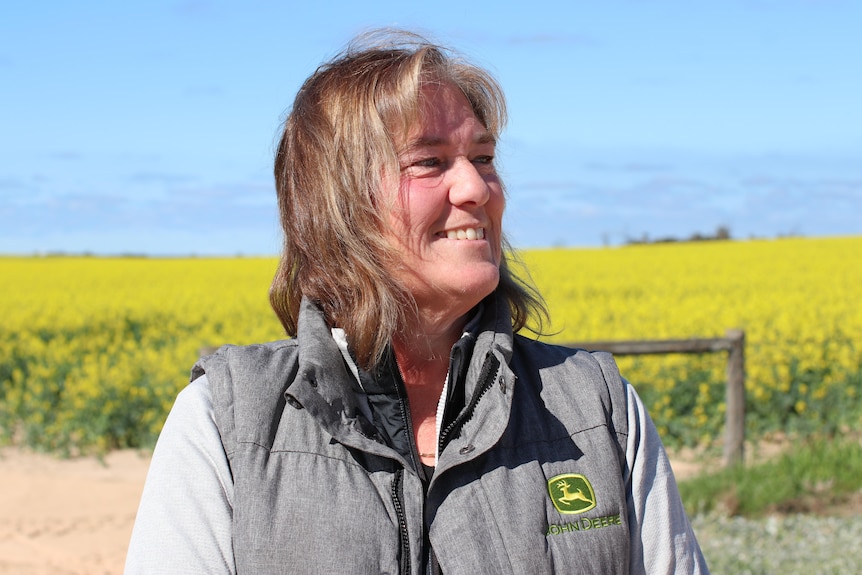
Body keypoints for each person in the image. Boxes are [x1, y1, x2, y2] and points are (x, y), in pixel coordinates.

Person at [125, 29, 708, 574]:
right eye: (429, 162)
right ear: (340, 206)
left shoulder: (597, 408)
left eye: (483, 158)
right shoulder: (226, 422)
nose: (478, 188)